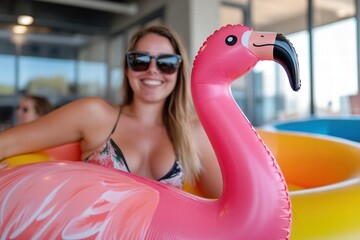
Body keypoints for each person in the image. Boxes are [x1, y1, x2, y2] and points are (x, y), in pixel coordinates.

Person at [0, 25, 222, 198]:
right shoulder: (95, 114)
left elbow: (227, 210)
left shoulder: (192, 132)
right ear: (126, 69)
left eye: (166, 62)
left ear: (178, 71)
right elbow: (6, 143)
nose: (152, 70)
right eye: (140, 61)